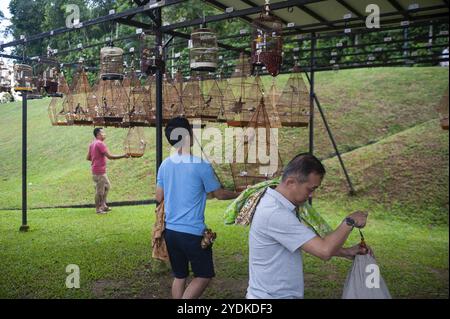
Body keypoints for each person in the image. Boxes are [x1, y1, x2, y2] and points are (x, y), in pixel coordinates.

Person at [247, 153, 371, 299]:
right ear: (290, 182)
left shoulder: (278, 204)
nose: (312, 195)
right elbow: (324, 250)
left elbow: (305, 242)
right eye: (310, 189)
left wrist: (347, 252)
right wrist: (349, 221)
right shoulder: (275, 213)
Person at [155, 116, 239, 299]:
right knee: (204, 275)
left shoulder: (164, 165)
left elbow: (158, 197)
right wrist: (240, 194)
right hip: (192, 233)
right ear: (189, 136)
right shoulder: (201, 165)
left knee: (180, 276)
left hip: (170, 232)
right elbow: (219, 194)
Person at [87, 128, 129, 214]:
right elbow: (110, 156)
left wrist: (96, 158)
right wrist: (124, 156)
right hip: (99, 172)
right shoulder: (100, 144)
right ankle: (98, 209)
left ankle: (103, 205)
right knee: (99, 191)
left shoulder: (92, 144)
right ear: (98, 134)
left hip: (96, 170)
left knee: (107, 186)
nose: (105, 134)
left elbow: (88, 158)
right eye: (103, 132)